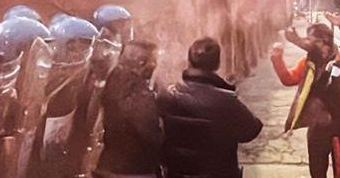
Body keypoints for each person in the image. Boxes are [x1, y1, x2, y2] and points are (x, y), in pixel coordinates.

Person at [157, 37, 262, 178]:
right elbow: (251, 130)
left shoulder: (168, 95)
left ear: (189, 61)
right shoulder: (226, 101)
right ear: (217, 64)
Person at [271, 23, 340, 178]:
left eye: (310, 40)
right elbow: (289, 79)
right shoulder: (308, 62)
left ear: (322, 41)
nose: (306, 43)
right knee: (317, 170)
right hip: (318, 125)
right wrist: (277, 58)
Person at [97, 40, 162, 178]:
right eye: (153, 61)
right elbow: (148, 130)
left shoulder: (114, 78)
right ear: (141, 62)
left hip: (108, 164)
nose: (155, 65)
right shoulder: (135, 89)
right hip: (133, 169)